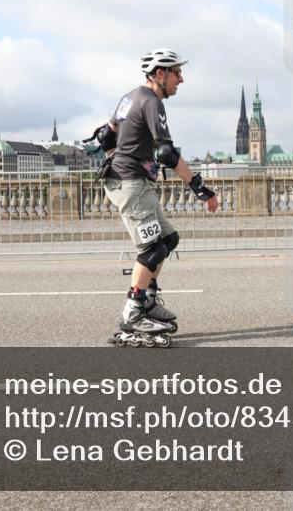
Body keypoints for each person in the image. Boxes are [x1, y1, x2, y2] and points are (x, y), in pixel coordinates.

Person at [88, 48, 219, 347]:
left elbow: (106, 136)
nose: (181, 79)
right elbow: (167, 153)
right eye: (177, 72)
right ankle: (134, 312)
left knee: (168, 239)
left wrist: (120, 155)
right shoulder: (152, 102)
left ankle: (146, 299)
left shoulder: (130, 96)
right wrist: (199, 187)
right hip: (130, 182)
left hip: (131, 178)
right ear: (160, 74)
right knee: (153, 246)